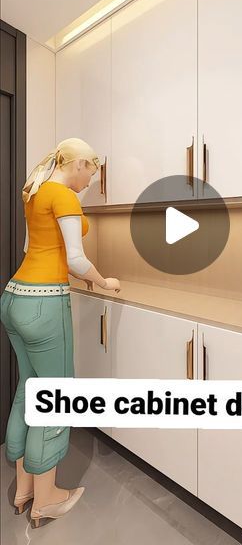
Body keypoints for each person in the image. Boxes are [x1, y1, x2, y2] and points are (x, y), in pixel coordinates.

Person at [0, 137, 121, 528]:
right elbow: (75, 257)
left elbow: (33, 249)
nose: (89, 182)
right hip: (44, 304)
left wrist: (77, 275)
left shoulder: (34, 192)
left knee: (29, 388)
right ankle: (48, 498)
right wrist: (104, 282)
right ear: (81, 164)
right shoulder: (64, 195)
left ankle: (24, 489)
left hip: (14, 296)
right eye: (91, 172)